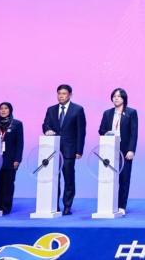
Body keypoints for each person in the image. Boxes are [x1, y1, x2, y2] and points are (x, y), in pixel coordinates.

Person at [42, 84, 86, 215]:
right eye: (59, 93)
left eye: (64, 94)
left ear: (70, 95)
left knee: (68, 179)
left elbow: (81, 131)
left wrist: (79, 150)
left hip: (69, 150)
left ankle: (67, 206)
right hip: (53, 150)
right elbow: (45, 124)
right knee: (54, 178)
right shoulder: (51, 109)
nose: (61, 96)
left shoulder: (77, 110)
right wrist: (47, 130)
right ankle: (54, 205)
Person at [98, 88, 138, 215]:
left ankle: (121, 206)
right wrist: (106, 133)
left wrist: (131, 150)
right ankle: (108, 205)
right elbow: (101, 130)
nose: (116, 98)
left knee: (124, 178)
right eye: (114, 96)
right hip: (109, 149)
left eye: (119, 96)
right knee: (109, 177)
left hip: (125, 150)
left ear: (124, 99)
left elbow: (134, 133)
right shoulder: (107, 113)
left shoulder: (131, 112)